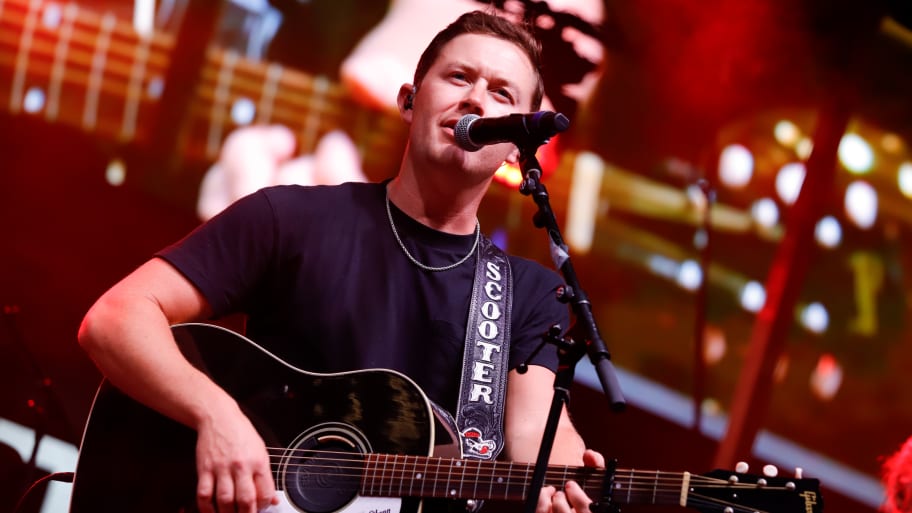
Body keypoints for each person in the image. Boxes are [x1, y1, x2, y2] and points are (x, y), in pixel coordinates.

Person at [78, 10, 603, 513]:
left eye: (501, 93)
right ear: (409, 100)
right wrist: (217, 414)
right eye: (459, 77)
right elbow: (116, 319)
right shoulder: (290, 217)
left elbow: (539, 432)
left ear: (516, 148)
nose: (475, 100)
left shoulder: (530, 294)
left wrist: (567, 481)